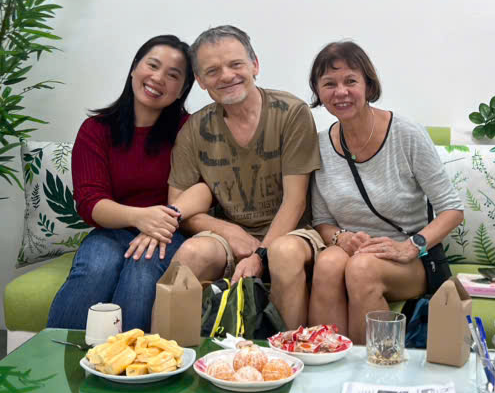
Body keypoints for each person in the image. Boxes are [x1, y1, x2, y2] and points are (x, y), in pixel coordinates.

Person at [306, 41, 464, 345]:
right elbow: (322, 221)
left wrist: (410, 247)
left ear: (368, 84)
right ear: (318, 91)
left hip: (412, 258)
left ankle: (373, 367)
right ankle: (328, 363)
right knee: (327, 263)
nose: (341, 92)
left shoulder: (406, 134)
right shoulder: (320, 145)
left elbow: (452, 210)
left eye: (350, 81)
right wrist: (341, 238)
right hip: (353, 251)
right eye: (329, 84)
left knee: (361, 268)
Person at [167, 25, 323, 329]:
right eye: (212, 71)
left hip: (293, 232)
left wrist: (260, 255)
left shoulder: (291, 112)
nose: (226, 76)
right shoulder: (194, 130)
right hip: (228, 237)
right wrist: (228, 230)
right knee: (191, 253)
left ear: (255, 65)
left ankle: (287, 351)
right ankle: (172, 352)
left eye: (235, 64)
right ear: (200, 80)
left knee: (284, 253)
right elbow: (178, 208)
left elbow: (295, 201)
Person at [46, 34, 196, 334]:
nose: (158, 78)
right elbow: (89, 203)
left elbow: (205, 187)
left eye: (173, 75)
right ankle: (57, 356)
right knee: (97, 265)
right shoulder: (96, 129)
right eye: (152, 65)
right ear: (134, 68)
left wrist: (161, 221)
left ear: (182, 89)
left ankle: (130, 359)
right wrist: (141, 217)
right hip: (111, 231)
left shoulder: (189, 130)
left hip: (168, 233)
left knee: (142, 269)